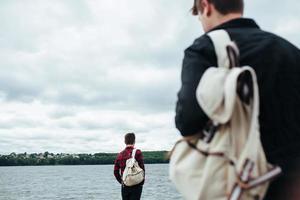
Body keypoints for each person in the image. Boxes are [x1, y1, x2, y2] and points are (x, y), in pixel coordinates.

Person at [175, 0, 300, 199]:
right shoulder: (291, 51)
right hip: (292, 185)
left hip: (240, 183)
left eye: (199, 15)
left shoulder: (206, 48)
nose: (200, 21)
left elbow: (187, 121)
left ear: (206, 6)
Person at [114, 133, 145, 200]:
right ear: (134, 141)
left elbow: (115, 171)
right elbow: (142, 169)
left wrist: (122, 182)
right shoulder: (138, 152)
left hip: (125, 185)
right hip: (137, 184)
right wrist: (142, 182)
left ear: (125, 141)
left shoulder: (120, 155)